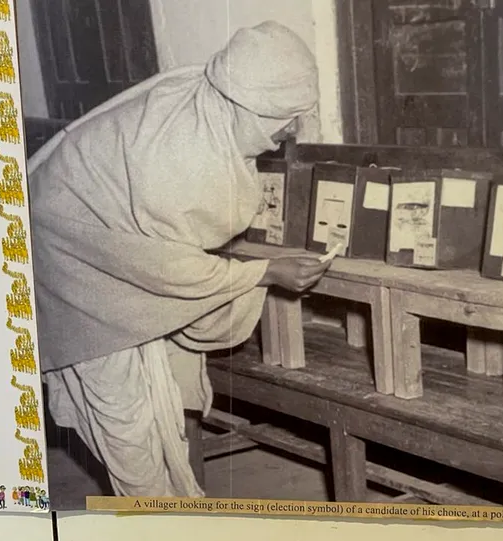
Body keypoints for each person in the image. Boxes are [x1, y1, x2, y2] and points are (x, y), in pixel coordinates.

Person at [27, 21, 330, 498]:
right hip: (74, 268)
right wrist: (267, 271)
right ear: (251, 107)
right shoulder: (176, 159)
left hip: (115, 247)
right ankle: (156, 517)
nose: (289, 130)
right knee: (128, 425)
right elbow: (168, 270)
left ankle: (189, 510)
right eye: (286, 116)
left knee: (175, 386)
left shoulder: (209, 93)